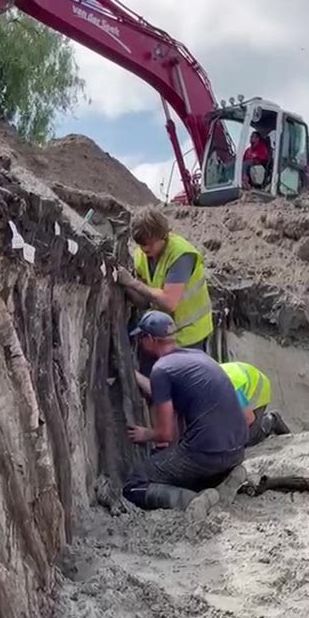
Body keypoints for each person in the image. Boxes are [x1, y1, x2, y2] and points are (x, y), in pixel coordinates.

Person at [123, 311, 248, 510]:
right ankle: (225, 480)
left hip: (207, 454)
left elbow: (165, 433)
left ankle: (190, 501)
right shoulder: (197, 357)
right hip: (237, 450)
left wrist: (146, 434)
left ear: (149, 339)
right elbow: (166, 397)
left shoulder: (161, 370)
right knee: (184, 468)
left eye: (140, 338)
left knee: (135, 481)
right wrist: (136, 376)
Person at [116, 206, 212, 353]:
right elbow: (145, 301)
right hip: (159, 337)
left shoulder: (181, 255)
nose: (145, 249)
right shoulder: (141, 256)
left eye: (150, 243)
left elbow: (169, 302)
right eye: (141, 244)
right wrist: (125, 286)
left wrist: (132, 283)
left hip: (189, 337)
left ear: (163, 236)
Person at [220, 361, 290, 446]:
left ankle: (271, 420)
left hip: (257, 390)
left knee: (247, 440)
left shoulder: (229, 388)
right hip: (241, 381)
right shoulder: (206, 386)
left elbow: (249, 418)